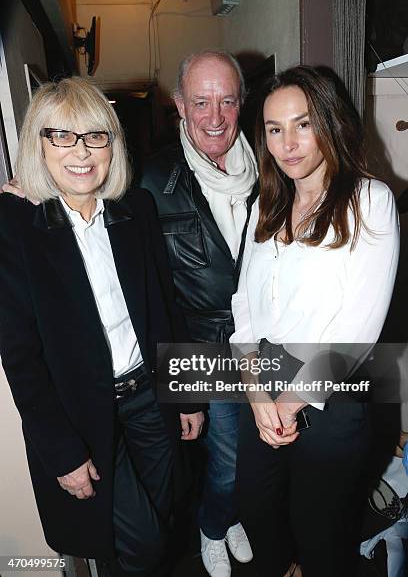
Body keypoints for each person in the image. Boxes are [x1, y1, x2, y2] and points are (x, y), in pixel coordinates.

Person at [0, 76, 204, 577]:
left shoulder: (136, 210)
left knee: (161, 514)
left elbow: (164, 309)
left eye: (96, 136)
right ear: (38, 144)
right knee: (142, 540)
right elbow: (20, 356)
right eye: (62, 136)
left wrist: (189, 393)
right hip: (81, 413)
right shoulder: (19, 227)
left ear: (113, 143)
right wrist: (60, 450)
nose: (81, 151)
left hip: (149, 397)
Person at [230, 65, 400, 577]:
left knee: (320, 537)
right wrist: (258, 393)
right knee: (256, 514)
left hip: (329, 399)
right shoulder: (266, 203)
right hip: (262, 388)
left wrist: (288, 402)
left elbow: (358, 330)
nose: (288, 143)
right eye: (275, 129)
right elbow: (243, 308)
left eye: (303, 124)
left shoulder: (368, 201)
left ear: (330, 121)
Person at [140, 50, 255, 577]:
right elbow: (150, 293)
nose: (215, 117)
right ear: (180, 105)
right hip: (207, 349)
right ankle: (214, 525)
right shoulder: (149, 180)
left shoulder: (270, 166)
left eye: (226, 101)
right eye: (202, 101)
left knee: (261, 450)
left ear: (241, 103)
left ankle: (228, 513)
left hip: (269, 341)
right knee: (229, 458)